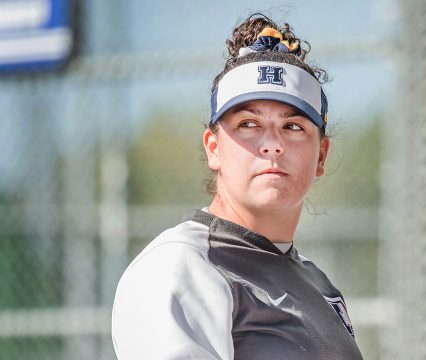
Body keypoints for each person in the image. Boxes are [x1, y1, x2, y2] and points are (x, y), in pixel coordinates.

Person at [111, 13, 363, 359]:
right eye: (248, 123)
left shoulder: (316, 282)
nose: (272, 144)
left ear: (321, 155)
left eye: (293, 127)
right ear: (213, 147)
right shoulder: (181, 265)